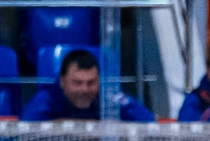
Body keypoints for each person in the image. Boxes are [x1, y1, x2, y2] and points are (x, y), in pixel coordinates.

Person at [19, 48, 154, 121]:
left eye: (91, 82)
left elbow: (147, 120)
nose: (84, 89)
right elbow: (26, 126)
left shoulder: (109, 95)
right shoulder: (47, 97)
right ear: (62, 81)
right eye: (77, 83)